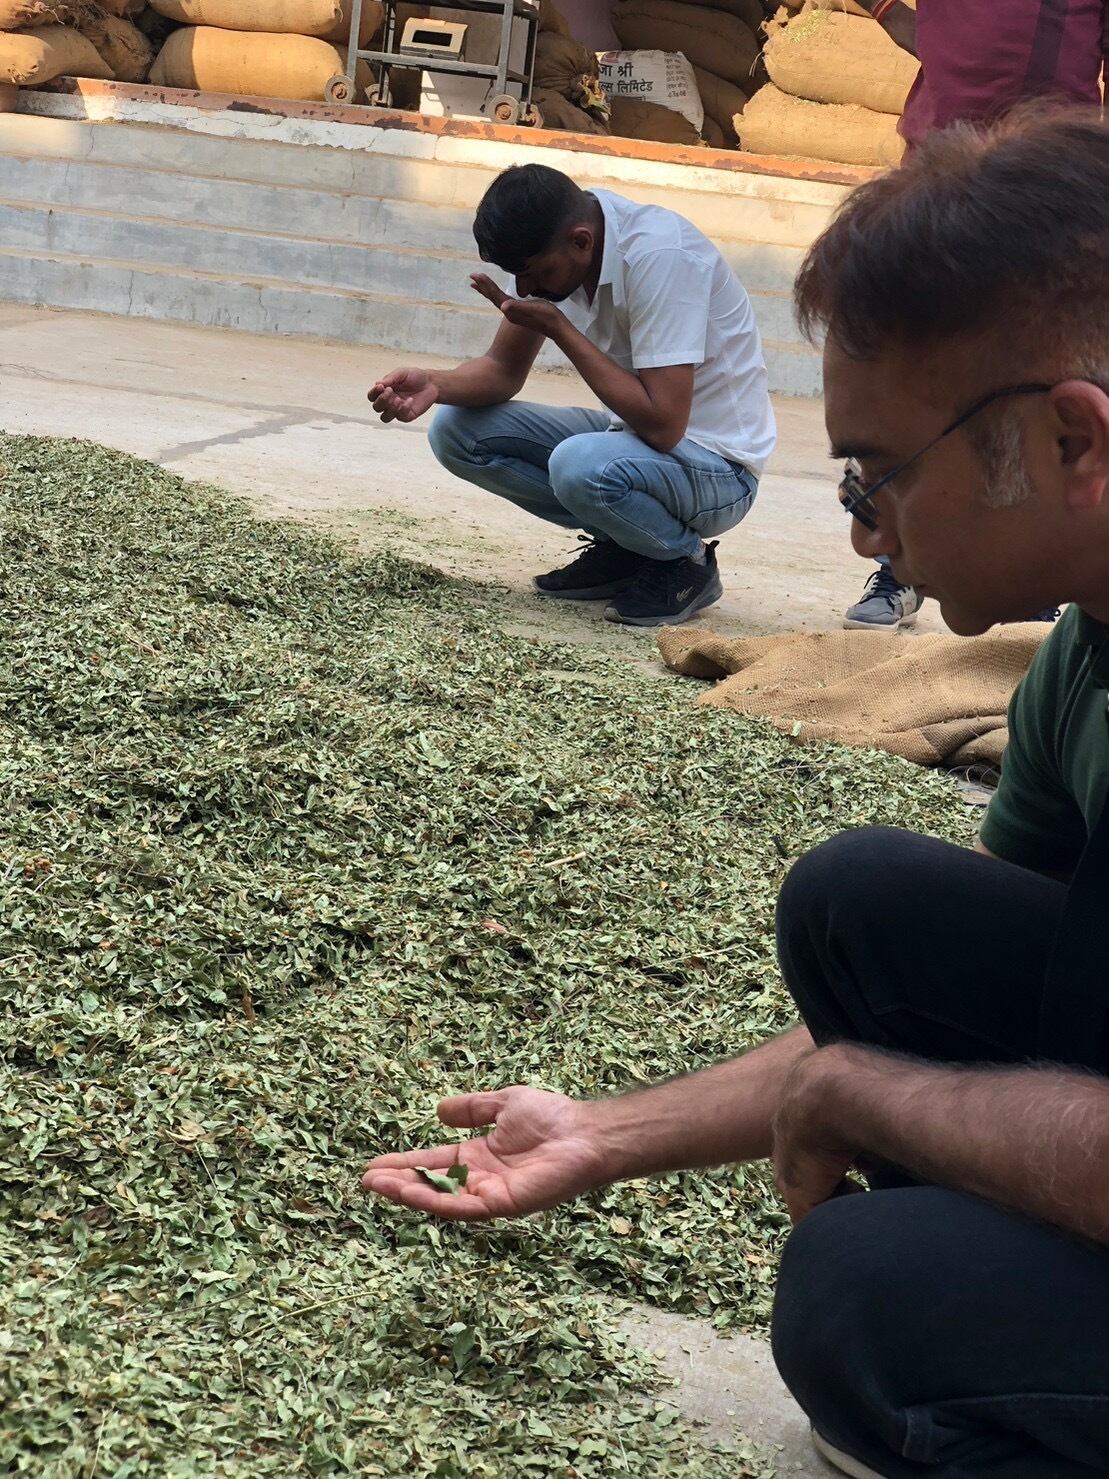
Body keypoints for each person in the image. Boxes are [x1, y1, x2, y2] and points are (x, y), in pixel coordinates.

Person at [363, 112, 1109, 1478]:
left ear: (1072, 442)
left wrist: (867, 1096)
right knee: (862, 902)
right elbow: (1000, 972)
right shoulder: (1083, 657)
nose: (863, 527)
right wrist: (601, 1134)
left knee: (871, 1298)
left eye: (881, 472)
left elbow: (873, 1078)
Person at [368, 164, 776, 627]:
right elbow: (502, 371)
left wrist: (560, 330)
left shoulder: (661, 257)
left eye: (531, 273)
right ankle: (628, 546)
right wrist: (435, 383)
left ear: (581, 242)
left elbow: (665, 425)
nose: (525, 288)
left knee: (580, 465)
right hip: (633, 442)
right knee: (456, 430)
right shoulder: (561, 239)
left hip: (719, 469)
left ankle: (684, 561)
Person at [842, 0, 1106, 630]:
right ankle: (898, 570)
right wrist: (900, 22)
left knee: (1032, 396)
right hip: (938, 175)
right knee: (910, 387)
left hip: (1047, 190)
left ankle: (1033, 577)